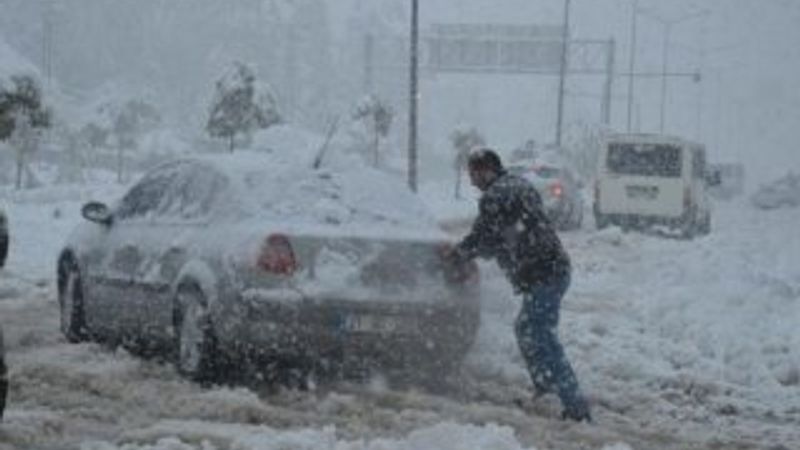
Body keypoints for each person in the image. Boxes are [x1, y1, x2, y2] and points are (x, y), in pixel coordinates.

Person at [445, 147, 591, 422]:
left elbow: (483, 238)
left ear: (486, 170)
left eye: (474, 174)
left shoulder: (497, 195)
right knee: (526, 328)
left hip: (544, 275)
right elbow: (502, 236)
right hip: (553, 269)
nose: (472, 180)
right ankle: (545, 386)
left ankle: (576, 406)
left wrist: (458, 254)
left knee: (542, 335)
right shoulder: (517, 185)